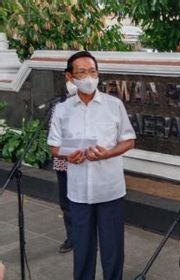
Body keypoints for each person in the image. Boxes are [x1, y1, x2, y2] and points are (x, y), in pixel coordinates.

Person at [47, 51, 136, 280]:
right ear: (70, 77)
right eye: (82, 72)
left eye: (93, 71)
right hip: (78, 193)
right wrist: (69, 156)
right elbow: (54, 146)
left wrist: (108, 153)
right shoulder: (62, 110)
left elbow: (129, 140)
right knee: (83, 250)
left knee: (113, 249)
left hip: (109, 190)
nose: (88, 77)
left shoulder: (113, 105)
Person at [52, 73, 77, 254]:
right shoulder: (59, 105)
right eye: (70, 79)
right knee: (66, 202)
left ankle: (89, 236)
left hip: (86, 162)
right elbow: (53, 137)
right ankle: (72, 237)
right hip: (63, 161)